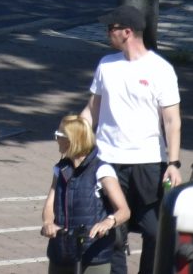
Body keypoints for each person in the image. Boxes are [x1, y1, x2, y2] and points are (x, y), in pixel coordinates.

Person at [85, 4, 182, 274]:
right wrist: (73, 134)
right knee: (114, 230)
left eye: (111, 29)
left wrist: (173, 163)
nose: (107, 33)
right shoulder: (106, 65)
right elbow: (92, 109)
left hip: (148, 161)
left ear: (127, 32)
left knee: (153, 230)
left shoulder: (160, 69)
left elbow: (172, 120)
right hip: (109, 161)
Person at [45, 115, 131, 274]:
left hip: (94, 255)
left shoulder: (101, 170)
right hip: (61, 252)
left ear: (72, 140)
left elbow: (124, 211)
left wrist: (108, 222)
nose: (56, 138)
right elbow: (50, 202)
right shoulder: (60, 169)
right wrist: (48, 222)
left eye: (59, 135)